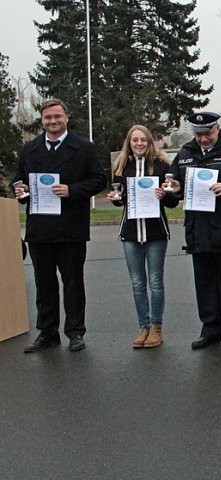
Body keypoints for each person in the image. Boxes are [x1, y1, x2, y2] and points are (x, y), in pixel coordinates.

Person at [13, 99, 107, 353]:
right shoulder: (29, 150)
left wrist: (73, 190)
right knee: (44, 284)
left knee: (73, 283)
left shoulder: (84, 148)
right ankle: (47, 332)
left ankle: (75, 332)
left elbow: (100, 179)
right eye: (47, 118)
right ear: (41, 121)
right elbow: (18, 178)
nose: (52, 122)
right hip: (40, 228)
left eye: (57, 117)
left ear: (66, 118)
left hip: (71, 227)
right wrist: (18, 188)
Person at [164, 112, 221, 350]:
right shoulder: (185, 154)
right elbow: (174, 187)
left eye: (207, 133)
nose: (204, 139)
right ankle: (210, 329)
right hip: (197, 229)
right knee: (204, 283)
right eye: (199, 134)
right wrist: (173, 189)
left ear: (217, 128)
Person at [108, 125, 177, 349]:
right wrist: (115, 198)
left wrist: (164, 195)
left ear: (149, 142)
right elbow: (120, 198)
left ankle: (156, 326)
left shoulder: (162, 166)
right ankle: (143, 326)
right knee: (137, 282)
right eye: (134, 140)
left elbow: (173, 201)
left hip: (156, 231)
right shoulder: (121, 167)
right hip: (130, 231)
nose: (139, 144)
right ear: (129, 142)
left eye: (143, 140)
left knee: (155, 281)